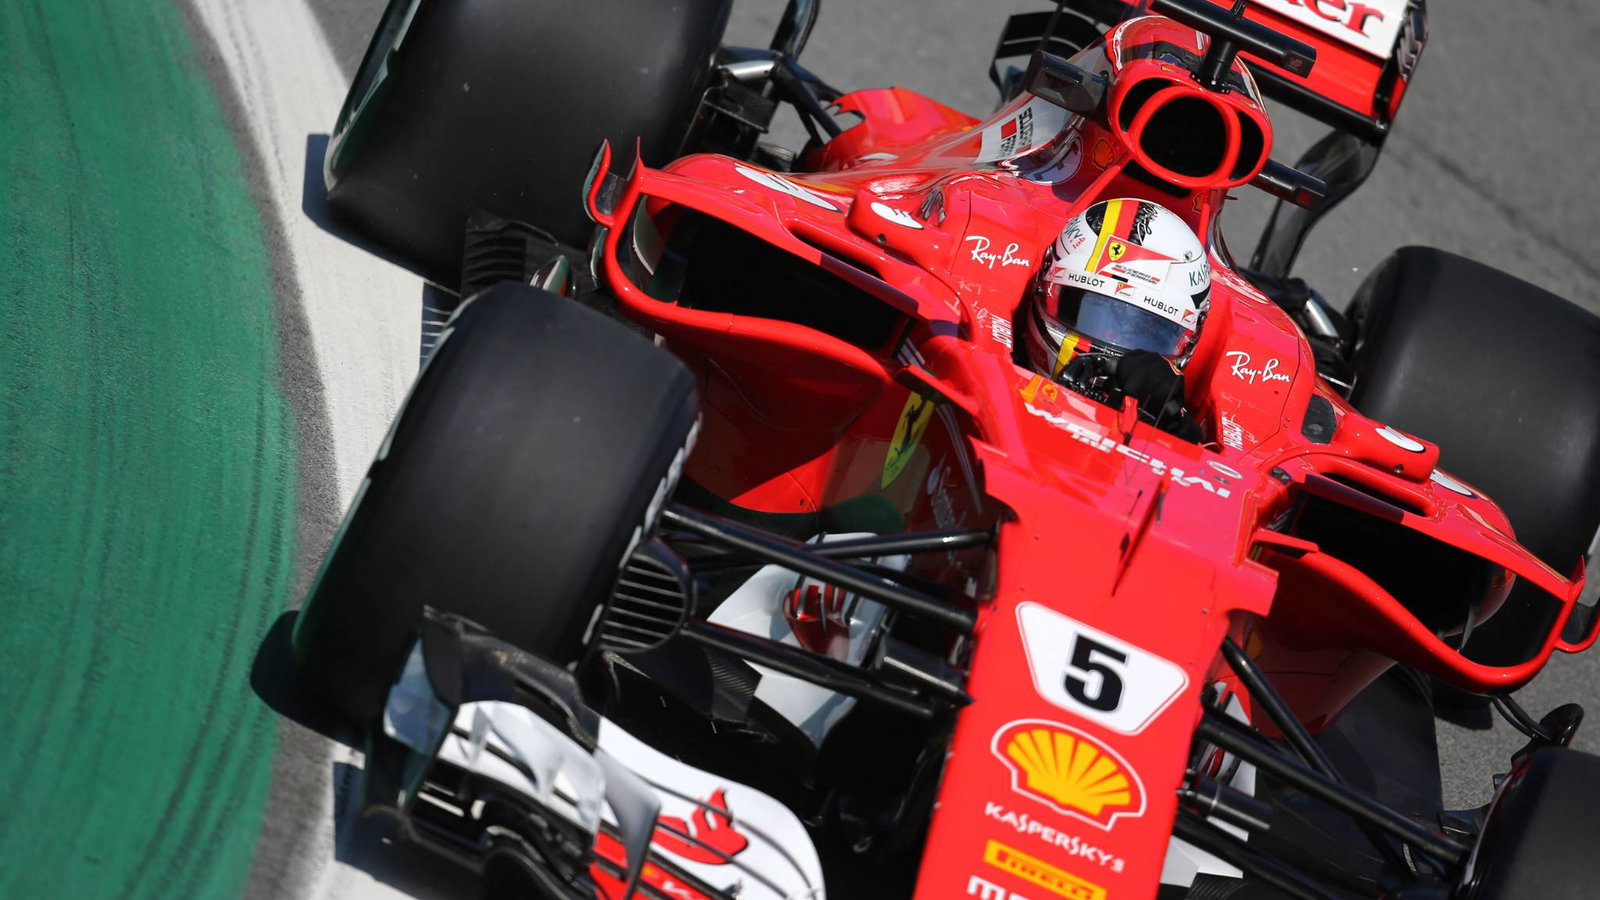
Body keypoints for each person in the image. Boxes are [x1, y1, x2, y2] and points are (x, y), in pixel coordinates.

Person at [1023, 198, 1209, 440]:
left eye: (1146, 330)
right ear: (1043, 286)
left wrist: (1175, 423)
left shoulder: (1174, 421)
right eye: (1095, 311)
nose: (1111, 338)